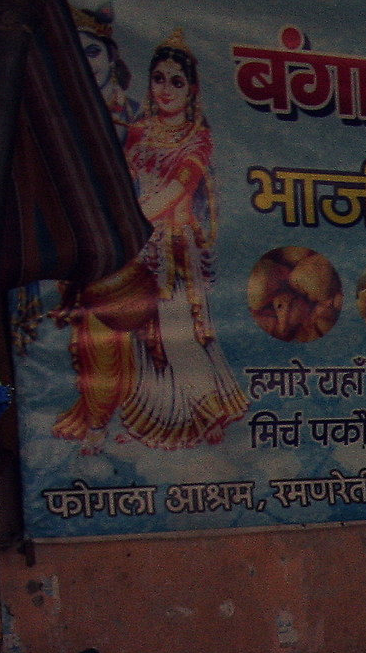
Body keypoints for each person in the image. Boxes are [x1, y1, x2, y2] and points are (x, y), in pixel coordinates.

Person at [55, 31, 248, 454]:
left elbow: (177, 190)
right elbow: (121, 180)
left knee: (179, 334)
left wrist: (133, 218)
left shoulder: (197, 139)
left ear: (191, 89)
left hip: (172, 250)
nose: (165, 89)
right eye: (158, 79)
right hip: (137, 245)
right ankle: (153, 416)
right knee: (139, 337)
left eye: (176, 81)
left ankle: (208, 414)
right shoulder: (139, 130)